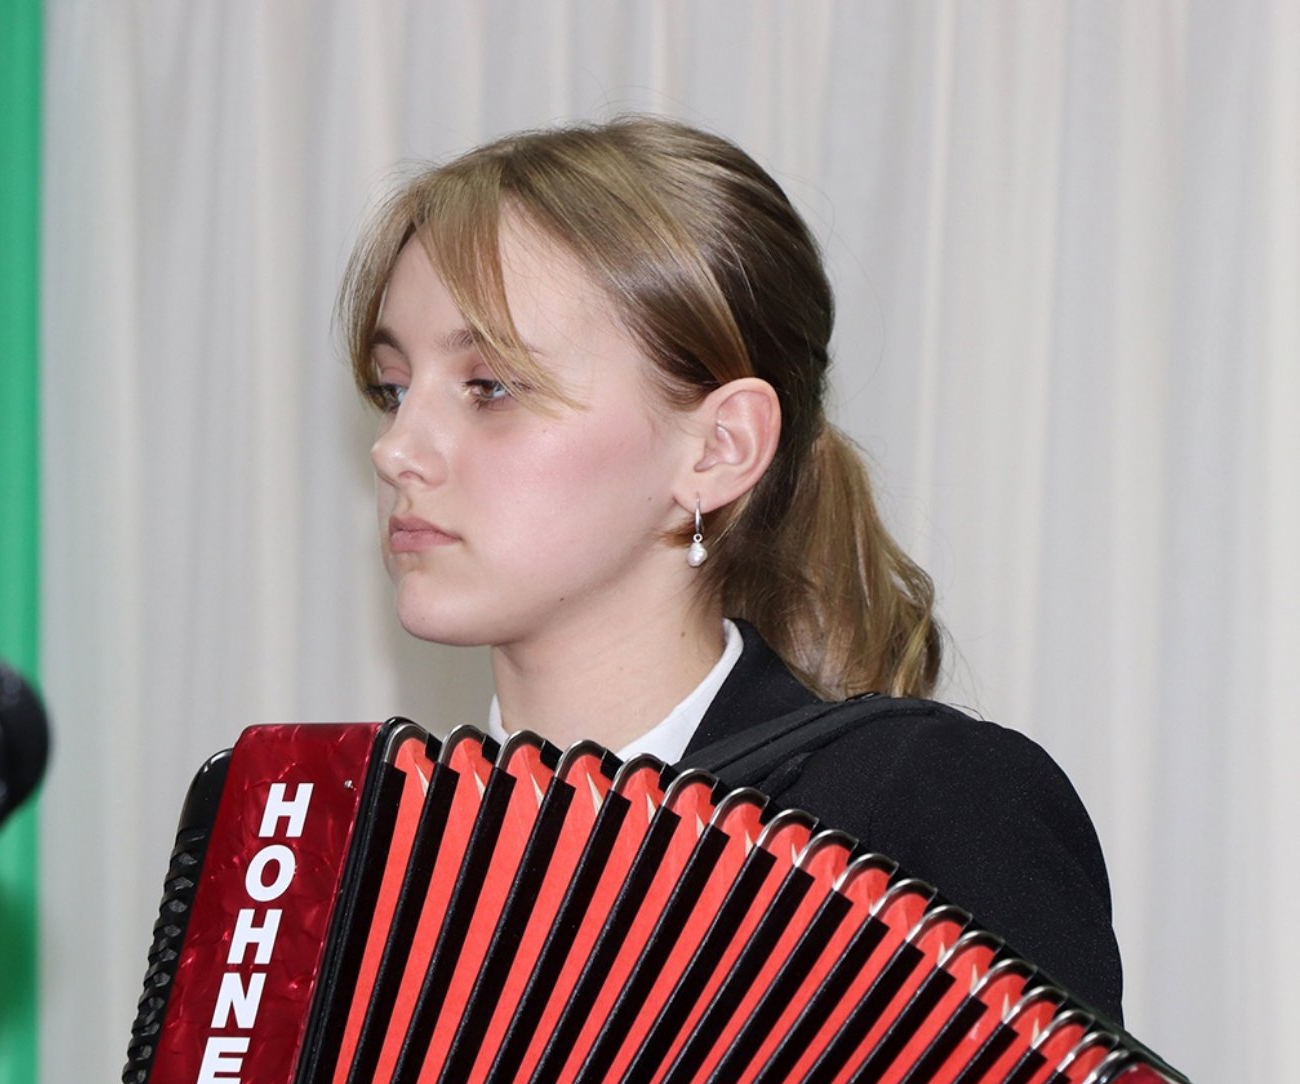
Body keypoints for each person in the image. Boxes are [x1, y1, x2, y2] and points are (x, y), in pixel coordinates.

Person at [341, 115, 1123, 1023]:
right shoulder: (335, 864)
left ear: (719, 447)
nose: (396, 449)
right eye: (393, 390)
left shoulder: (919, 814)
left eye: (490, 386)